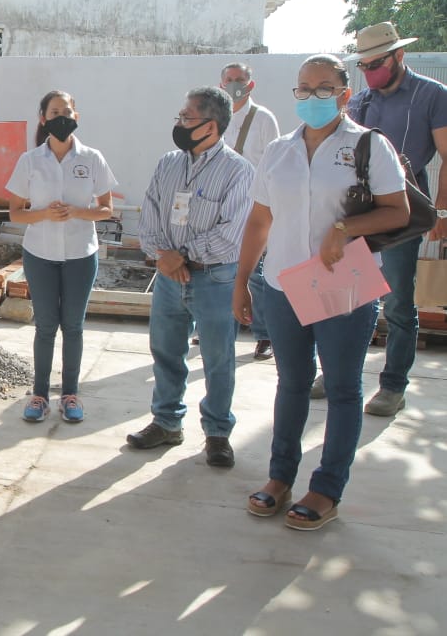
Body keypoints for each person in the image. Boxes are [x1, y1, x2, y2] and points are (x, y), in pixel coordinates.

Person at [235, 54, 408, 530]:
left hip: (342, 282)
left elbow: (398, 211)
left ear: (344, 93)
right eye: (304, 89)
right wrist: (242, 282)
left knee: (341, 389)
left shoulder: (370, 146)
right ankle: (279, 477)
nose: (312, 97)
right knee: (290, 384)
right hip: (283, 284)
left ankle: (326, 489)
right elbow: (259, 220)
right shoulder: (280, 150)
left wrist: (345, 227)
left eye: (323, 88)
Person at [313, 22, 447, 417]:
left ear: (398, 56)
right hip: (356, 207)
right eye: (365, 65)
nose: (370, 71)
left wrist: (441, 211)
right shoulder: (361, 101)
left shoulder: (432, 95)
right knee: (343, 294)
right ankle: (335, 371)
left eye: (377, 63)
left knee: (399, 301)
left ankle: (393, 385)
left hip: (402, 207)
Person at [128, 86, 254, 468]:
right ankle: (166, 422)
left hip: (215, 277)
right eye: (180, 118)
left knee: (217, 358)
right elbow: (149, 212)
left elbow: (231, 231)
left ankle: (217, 433)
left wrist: (181, 256)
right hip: (169, 277)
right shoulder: (168, 163)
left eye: (186, 118)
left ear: (210, 125)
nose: (180, 124)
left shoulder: (238, 171)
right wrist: (161, 257)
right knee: (166, 351)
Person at [5, 90, 117, 423]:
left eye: (67, 111)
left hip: (81, 255)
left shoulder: (92, 158)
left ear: (76, 117)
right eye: (54, 112)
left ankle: (70, 395)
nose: (61, 117)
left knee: (74, 326)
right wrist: (43, 215)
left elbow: (107, 209)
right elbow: (14, 213)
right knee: (45, 326)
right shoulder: (30, 161)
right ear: (43, 118)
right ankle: (40, 394)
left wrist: (78, 211)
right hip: (40, 254)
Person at [220, 63, 281, 361]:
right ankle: (222, 330)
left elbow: (274, 165)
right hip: (223, 207)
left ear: (250, 84)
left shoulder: (263, 119)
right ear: (221, 84)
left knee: (256, 273)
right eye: (229, 80)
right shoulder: (216, 117)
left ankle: (264, 335)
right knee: (223, 271)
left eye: (239, 80)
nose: (234, 85)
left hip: (255, 207)